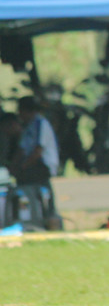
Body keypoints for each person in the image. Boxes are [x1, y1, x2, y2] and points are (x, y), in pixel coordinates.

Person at [12, 95, 61, 229]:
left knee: (44, 196)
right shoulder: (27, 127)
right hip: (31, 165)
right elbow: (22, 149)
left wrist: (23, 166)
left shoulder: (40, 124)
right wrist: (13, 167)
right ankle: (24, 219)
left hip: (42, 166)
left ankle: (50, 221)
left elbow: (38, 150)